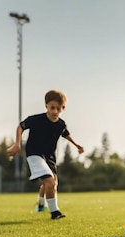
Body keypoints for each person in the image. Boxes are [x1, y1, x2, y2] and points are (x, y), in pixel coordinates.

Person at [7, 90, 85, 219]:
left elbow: (65, 133)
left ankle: (41, 204)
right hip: (34, 154)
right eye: (52, 108)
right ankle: (55, 212)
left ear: (63, 108)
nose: (55, 111)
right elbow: (20, 126)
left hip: (50, 157)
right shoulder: (36, 120)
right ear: (46, 106)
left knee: (51, 183)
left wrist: (76, 145)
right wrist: (17, 144)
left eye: (58, 108)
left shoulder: (61, 124)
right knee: (49, 182)